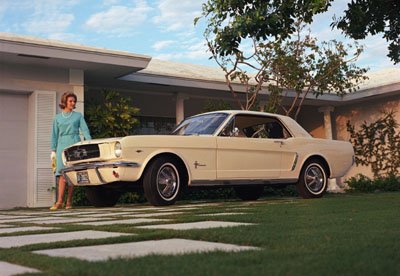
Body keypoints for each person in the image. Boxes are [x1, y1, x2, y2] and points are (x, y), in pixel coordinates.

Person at [50, 92, 91, 210]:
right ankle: (59, 202)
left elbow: (85, 130)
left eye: (74, 101)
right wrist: (53, 150)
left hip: (74, 145)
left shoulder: (78, 116)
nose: (73, 103)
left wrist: (89, 143)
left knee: (71, 174)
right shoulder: (57, 118)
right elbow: (54, 135)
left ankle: (69, 202)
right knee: (62, 174)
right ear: (65, 102)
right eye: (71, 101)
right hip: (61, 146)